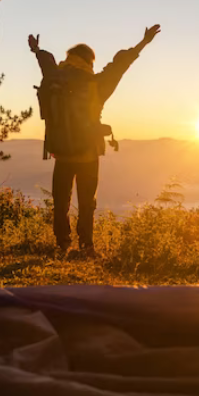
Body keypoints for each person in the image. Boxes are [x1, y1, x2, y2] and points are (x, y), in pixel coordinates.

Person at [29, 25, 161, 257]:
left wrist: (37, 49)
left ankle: (62, 244)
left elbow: (46, 62)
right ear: (89, 61)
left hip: (60, 152)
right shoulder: (98, 84)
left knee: (61, 201)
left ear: (69, 58)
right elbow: (121, 65)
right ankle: (86, 246)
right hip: (88, 153)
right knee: (86, 202)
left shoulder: (54, 77)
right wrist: (143, 43)